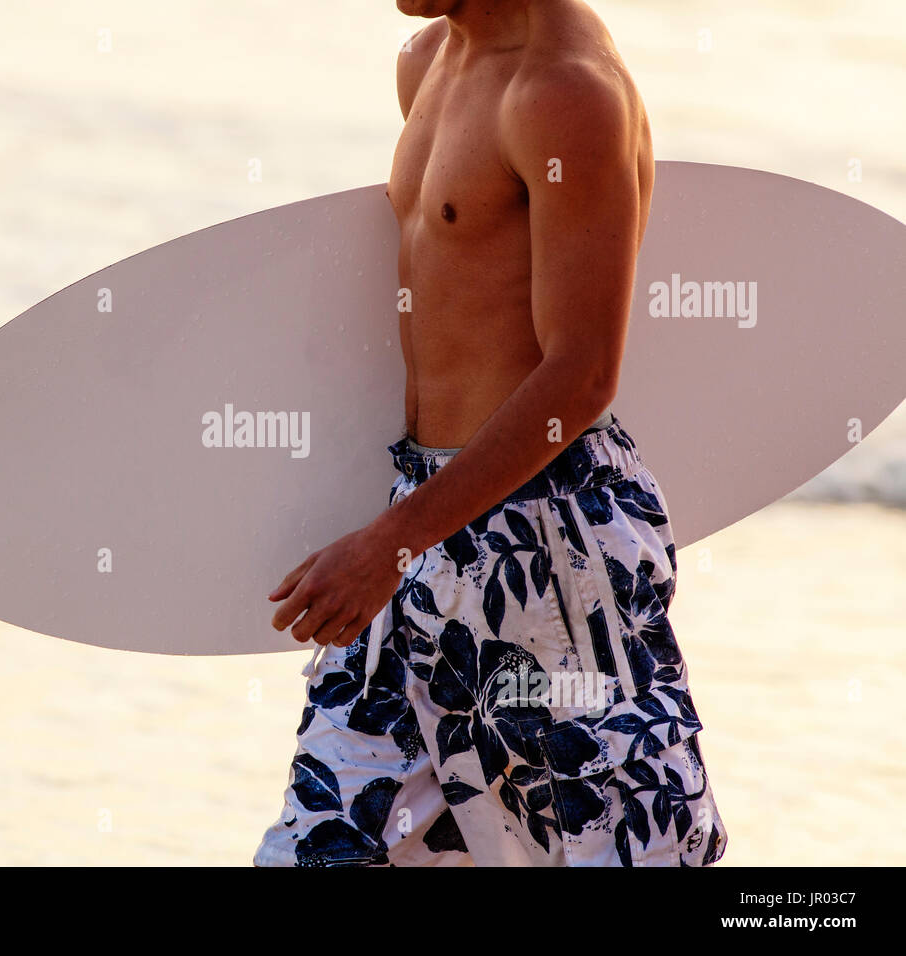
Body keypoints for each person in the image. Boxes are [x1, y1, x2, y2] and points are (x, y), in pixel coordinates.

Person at [254, 0, 727, 867]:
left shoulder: (565, 95)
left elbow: (582, 375)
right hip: (419, 523)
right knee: (323, 847)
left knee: (617, 848)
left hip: (548, 544)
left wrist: (391, 542)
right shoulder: (427, 59)